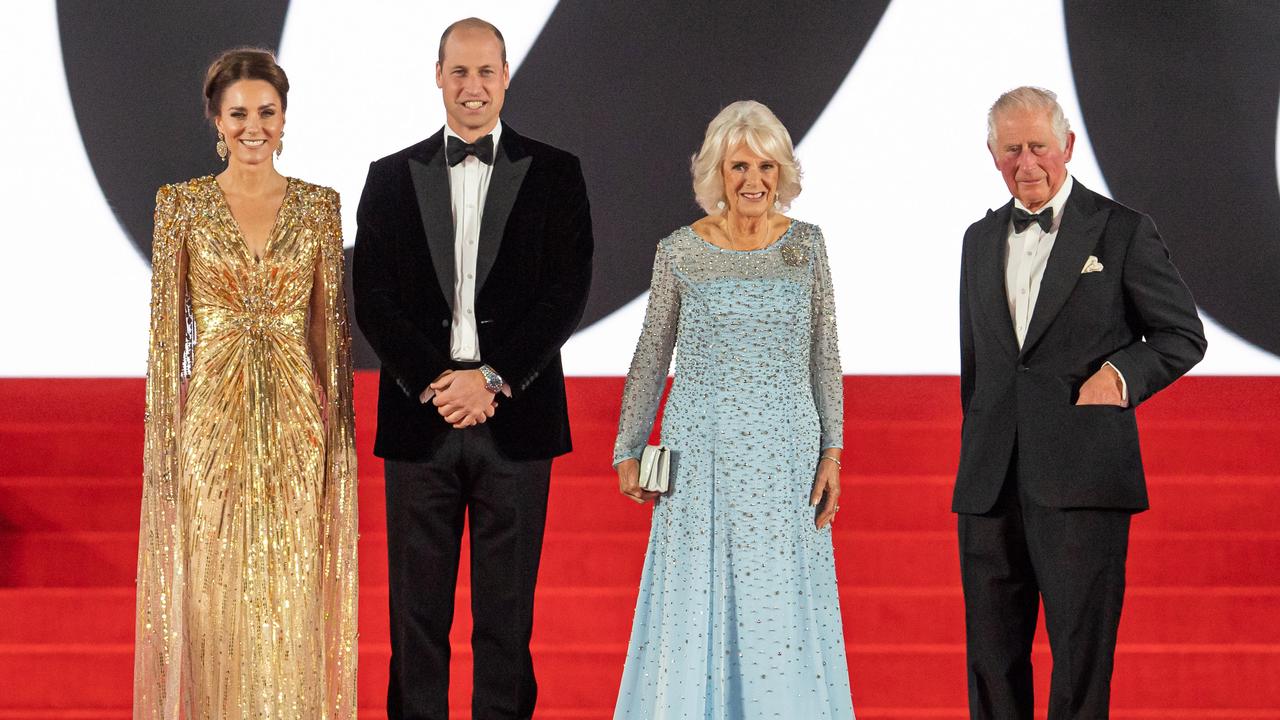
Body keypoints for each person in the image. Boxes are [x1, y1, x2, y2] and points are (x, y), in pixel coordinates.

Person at [352, 17, 594, 720]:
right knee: (414, 626)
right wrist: (439, 380)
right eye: (459, 71)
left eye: (486, 71)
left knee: (507, 627)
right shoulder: (389, 179)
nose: (472, 86)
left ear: (506, 76)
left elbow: (565, 294)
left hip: (514, 417)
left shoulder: (557, 173)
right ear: (437, 76)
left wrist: (490, 380)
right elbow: (373, 297)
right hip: (420, 418)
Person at [955, 86, 1207, 718]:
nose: (1027, 162)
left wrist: (1119, 376)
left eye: (1039, 146)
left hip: (1084, 475)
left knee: (1080, 657)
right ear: (992, 155)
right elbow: (980, 366)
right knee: (990, 659)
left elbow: (1182, 335)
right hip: (989, 480)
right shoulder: (977, 239)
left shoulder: (1122, 231)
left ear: (1067, 146)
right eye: (1011, 149)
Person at [133, 48, 358, 719]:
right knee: (216, 595)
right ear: (217, 120)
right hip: (209, 424)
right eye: (239, 114)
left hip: (296, 424)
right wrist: (166, 450)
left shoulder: (320, 206)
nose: (253, 126)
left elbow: (331, 339)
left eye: (266, 112)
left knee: (290, 590)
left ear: (285, 118)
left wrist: (338, 444)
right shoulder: (181, 206)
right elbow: (164, 343)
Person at [611, 100, 854, 719]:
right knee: (698, 607)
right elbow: (649, 357)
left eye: (766, 166)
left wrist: (833, 451)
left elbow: (825, 354)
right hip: (700, 461)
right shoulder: (679, 253)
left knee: (780, 609)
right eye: (738, 165)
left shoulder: (808, 247)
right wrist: (628, 447)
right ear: (715, 174)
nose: (753, 181)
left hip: (786, 460)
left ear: (783, 173)